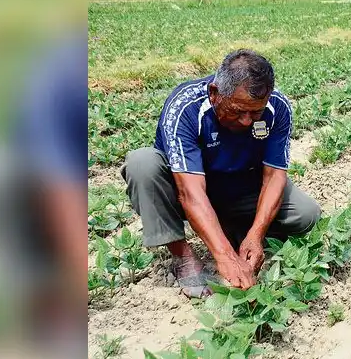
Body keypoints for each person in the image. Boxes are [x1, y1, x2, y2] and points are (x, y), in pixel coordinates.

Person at [122, 49, 321, 297]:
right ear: (215, 94)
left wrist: (256, 234)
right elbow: (190, 192)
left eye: (255, 112)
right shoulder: (186, 107)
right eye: (238, 111)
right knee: (142, 163)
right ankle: (183, 257)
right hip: (193, 188)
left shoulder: (277, 107)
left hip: (243, 185)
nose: (247, 121)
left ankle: (238, 233)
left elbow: (274, 176)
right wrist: (224, 256)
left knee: (306, 214)